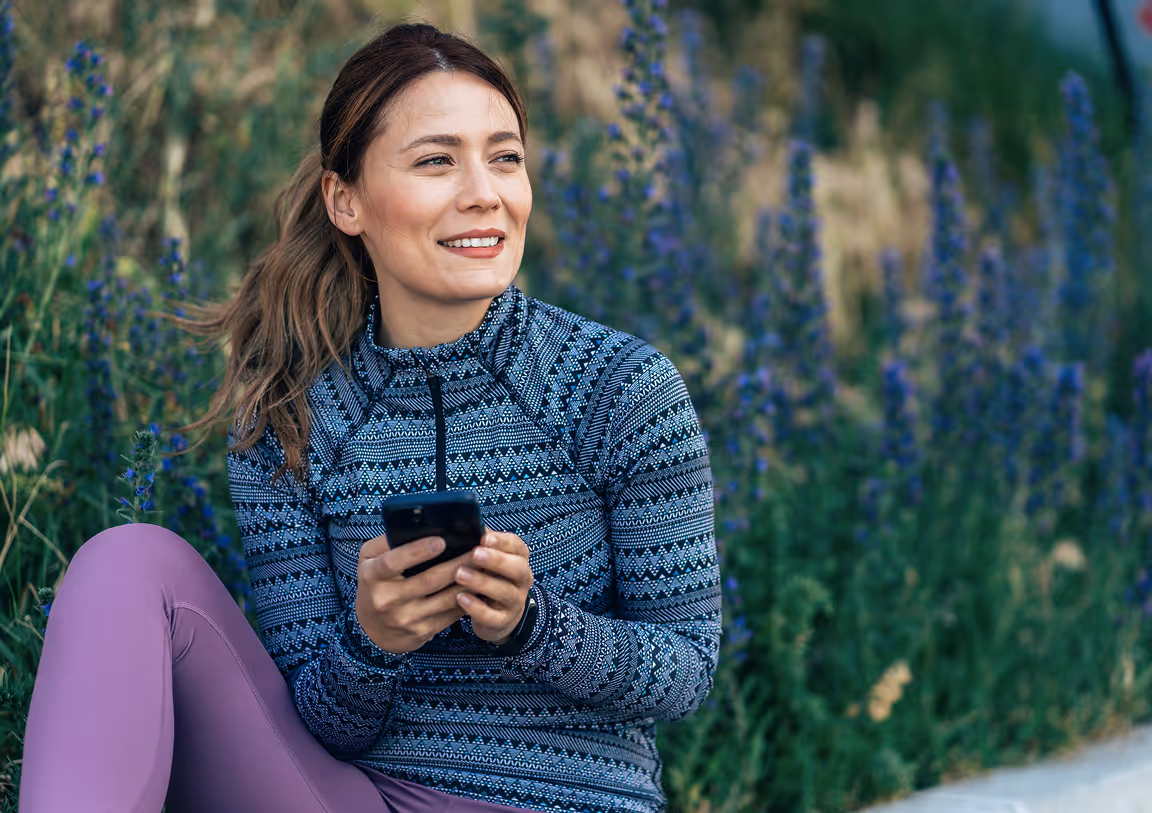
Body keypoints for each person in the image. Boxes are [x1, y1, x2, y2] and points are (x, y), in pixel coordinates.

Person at [19, 21, 721, 813]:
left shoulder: (621, 389)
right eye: (435, 161)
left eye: (505, 157)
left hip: (574, 801)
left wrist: (535, 624)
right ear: (344, 199)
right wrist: (371, 640)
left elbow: (686, 670)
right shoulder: (286, 417)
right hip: (354, 797)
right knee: (127, 561)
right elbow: (316, 721)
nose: (483, 191)